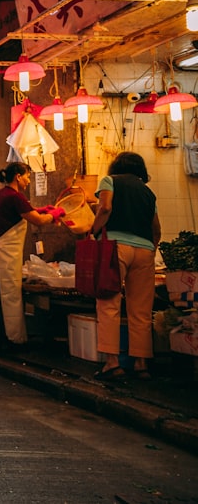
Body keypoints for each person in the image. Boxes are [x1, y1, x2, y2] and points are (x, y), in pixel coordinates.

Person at [89, 152, 160, 381]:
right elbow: (156, 228)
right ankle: (141, 363)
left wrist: (93, 231)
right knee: (141, 310)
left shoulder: (110, 181)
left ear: (116, 166)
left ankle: (112, 363)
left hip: (115, 248)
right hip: (145, 250)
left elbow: (105, 208)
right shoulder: (148, 192)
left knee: (109, 304)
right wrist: (150, 248)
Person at [0, 162, 65, 349]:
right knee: (6, 295)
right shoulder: (14, 196)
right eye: (27, 175)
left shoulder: (1, 193)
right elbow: (38, 220)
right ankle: (7, 340)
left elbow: (27, 211)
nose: (28, 180)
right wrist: (54, 214)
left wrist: (43, 209)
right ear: (18, 176)